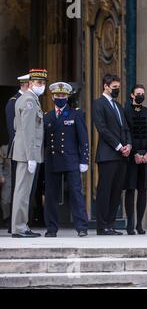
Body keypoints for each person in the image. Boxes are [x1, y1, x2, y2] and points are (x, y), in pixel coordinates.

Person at [43, 82, 90, 237]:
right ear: (52, 96)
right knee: (51, 195)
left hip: (71, 160)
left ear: (68, 96)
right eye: (57, 95)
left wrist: (84, 159)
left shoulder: (75, 114)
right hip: (52, 160)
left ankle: (82, 227)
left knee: (76, 194)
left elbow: (83, 138)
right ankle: (51, 228)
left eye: (63, 95)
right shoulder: (47, 116)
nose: (60, 98)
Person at [93, 74, 132, 235]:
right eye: (114, 87)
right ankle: (102, 226)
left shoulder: (118, 106)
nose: (117, 90)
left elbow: (125, 128)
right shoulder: (98, 104)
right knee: (105, 191)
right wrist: (119, 146)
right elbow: (102, 129)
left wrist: (129, 144)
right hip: (108, 155)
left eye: (118, 87)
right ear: (106, 86)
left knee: (116, 191)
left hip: (122, 156)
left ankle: (110, 223)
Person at [11, 69, 47, 238]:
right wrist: (31, 157)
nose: (42, 86)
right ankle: (19, 227)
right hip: (27, 154)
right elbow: (27, 131)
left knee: (23, 191)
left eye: (43, 83)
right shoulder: (29, 101)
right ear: (31, 83)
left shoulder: (25, 99)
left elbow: (16, 126)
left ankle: (21, 225)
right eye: (39, 83)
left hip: (24, 152)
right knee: (23, 191)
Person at [123, 85, 147, 235]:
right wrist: (134, 153)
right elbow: (126, 133)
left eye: (142, 94)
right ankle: (130, 224)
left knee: (143, 190)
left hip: (146, 156)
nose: (140, 96)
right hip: (132, 157)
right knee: (130, 190)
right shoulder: (125, 112)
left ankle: (139, 224)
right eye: (138, 94)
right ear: (132, 95)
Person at [5, 74, 30, 233]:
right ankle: (14, 225)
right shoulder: (14, 102)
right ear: (26, 84)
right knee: (19, 187)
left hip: (29, 152)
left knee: (27, 189)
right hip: (20, 152)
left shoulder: (29, 100)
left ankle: (24, 223)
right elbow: (13, 130)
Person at [0, 144, 11, 225]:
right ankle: (7, 217)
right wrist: (1, 175)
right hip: (7, 175)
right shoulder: (4, 148)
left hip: (19, 175)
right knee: (5, 200)